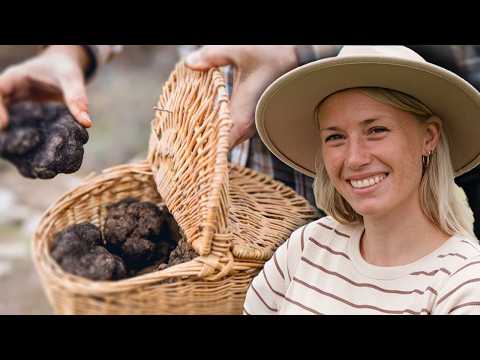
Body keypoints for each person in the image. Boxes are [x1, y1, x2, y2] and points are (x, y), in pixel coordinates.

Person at [242, 45, 480, 315]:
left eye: (376, 130)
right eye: (335, 137)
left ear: (429, 137)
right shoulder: (308, 245)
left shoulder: (465, 284)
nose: (355, 159)